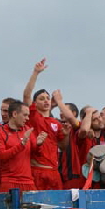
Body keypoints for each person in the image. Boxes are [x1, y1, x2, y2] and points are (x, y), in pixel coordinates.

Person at [22, 59, 67, 190]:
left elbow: (63, 146)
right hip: (36, 170)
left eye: (47, 98)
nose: (46, 101)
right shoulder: (34, 116)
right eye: (41, 99)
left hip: (54, 172)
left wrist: (66, 134)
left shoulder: (56, 123)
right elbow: (26, 95)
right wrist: (36, 73)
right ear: (35, 104)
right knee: (34, 208)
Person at [0, 101, 48, 192]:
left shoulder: (27, 130)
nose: (27, 118)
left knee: (33, 206)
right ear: (14, 114)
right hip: (9, 181)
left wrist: (39, 145)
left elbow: (37, 155)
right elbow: (1, 156)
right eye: (25, 115)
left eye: (28, 115)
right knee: (10, 206)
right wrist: (21, 144)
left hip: (28, 182)